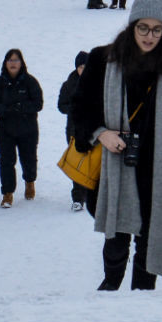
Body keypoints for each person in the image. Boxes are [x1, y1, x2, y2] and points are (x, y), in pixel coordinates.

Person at [69, 0, 162, 291]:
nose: (149, 36)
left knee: (150, 236)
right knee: (116, 239)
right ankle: (110, 294)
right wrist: (101, 133)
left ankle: (143, 299)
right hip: (114, 164)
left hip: (156, 167)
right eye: (143, 27)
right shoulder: (103, 60)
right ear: (132, 26)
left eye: (157, 29)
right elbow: (79, 108)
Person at [0, 48, 45, 208]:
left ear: (22, 63)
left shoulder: (30, 81)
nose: (13, 63)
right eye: (10, 60)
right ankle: (7, 193)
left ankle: (29, 181)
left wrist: (21, 107)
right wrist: (4, 111)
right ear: (5, 63)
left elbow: (38, 103)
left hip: (28, 129)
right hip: (5, 129)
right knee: (6, 161)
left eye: (16, 60)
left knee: (29, 159)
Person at [57, 50, 95, 212]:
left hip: (95, 129)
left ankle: (93, 196)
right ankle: (78, 197)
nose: (83, 69)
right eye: (80, 66)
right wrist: (75, 108)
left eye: (86, 66)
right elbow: (61, 106)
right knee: (77, 163)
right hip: (74, 129)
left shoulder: (98, 82)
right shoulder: (69, 84)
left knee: (94, 163)